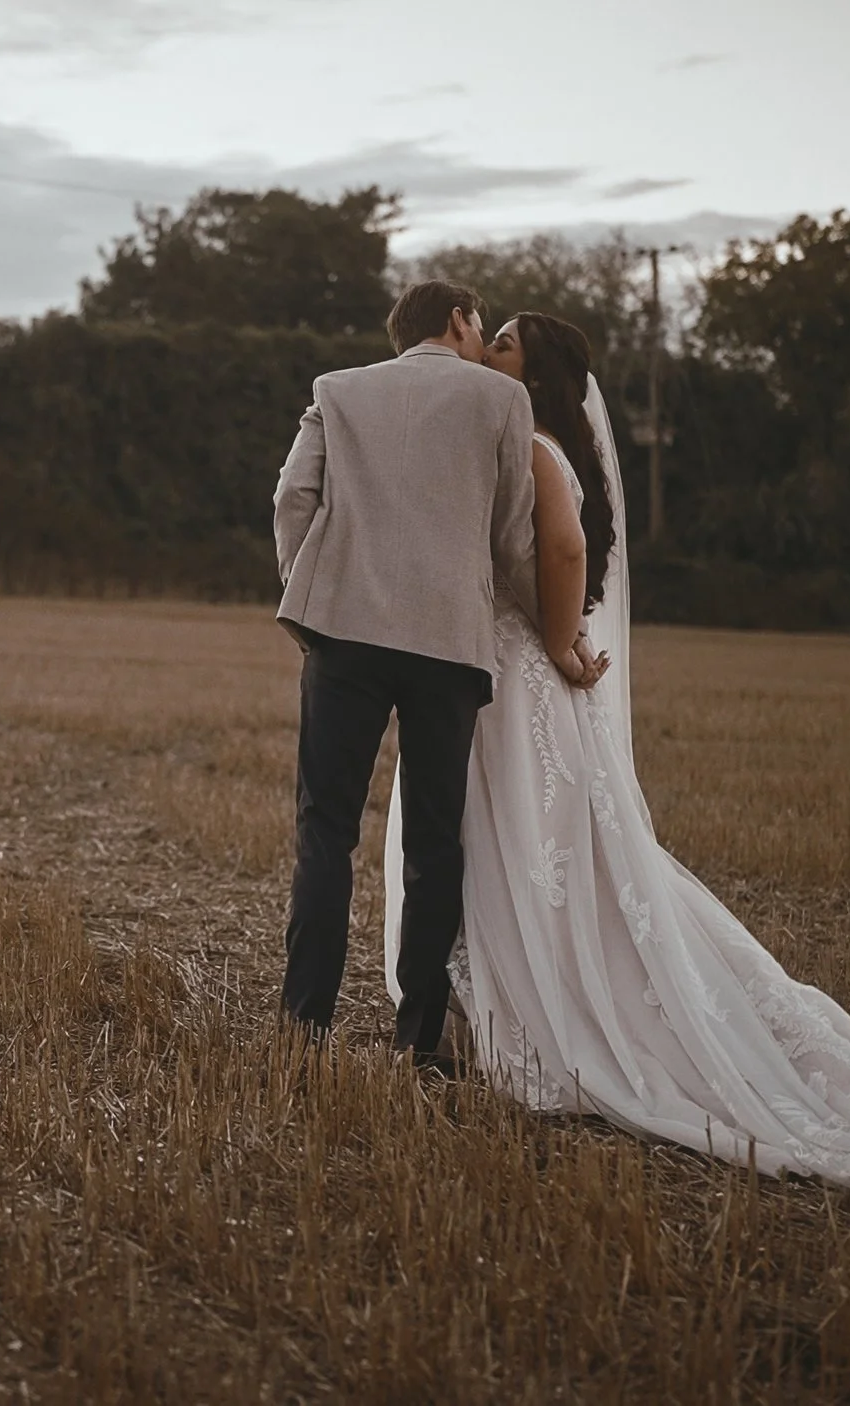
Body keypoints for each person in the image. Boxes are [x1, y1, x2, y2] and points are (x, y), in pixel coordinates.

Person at [379, 312, 850, 1206]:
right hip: (515, 673)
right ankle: (508, 1000)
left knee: (529, 850)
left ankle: (542, 1016)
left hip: (520, 677)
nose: (491, 349)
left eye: (508, 344)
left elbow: (562, 551)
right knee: (541, 852)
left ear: (539, 372)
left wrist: (560, 645)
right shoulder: (542, 441)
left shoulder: (529, 441)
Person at [270, 280, 587, 1061]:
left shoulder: (338, 391)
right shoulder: (499, 402)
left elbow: (291, 498)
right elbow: (514, 537)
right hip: (449, 646)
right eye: (482, 326)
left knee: (325, 835)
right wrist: (558, 635)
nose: (485, 341)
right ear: (459, 320)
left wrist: (306, 597)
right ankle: (419, 1037)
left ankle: (304, 1024)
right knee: (436, 844)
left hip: (343, 635)